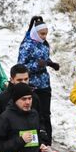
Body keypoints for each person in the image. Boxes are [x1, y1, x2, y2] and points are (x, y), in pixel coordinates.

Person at [16, 15, 56, 145]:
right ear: (35, 32)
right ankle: (32, 142)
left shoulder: (44, 45)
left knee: (46, 114)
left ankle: (46, 143)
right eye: (42, 34)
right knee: (33, 113)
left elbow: (44, 60)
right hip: (31, 86)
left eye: (46, 34)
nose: (44, 36)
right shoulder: (27, 45)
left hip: (44, 84)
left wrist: (51, 64)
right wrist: (37, 65)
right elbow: (21, 66)